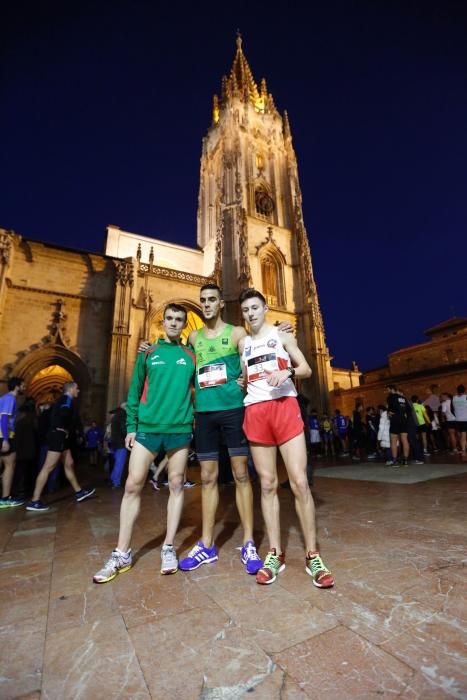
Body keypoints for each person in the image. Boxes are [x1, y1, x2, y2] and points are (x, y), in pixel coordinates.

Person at [238, 288, 333, 588]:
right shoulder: (243, 344)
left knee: (299, 482)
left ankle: (312, 555)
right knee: (266, 484)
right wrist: (244, 382)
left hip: (284, 408)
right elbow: (246, 377)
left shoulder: (282, 335)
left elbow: (306, 367)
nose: (251, 313)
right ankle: (275, 554)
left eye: (255, 307)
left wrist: (288, 372)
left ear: (265, 308)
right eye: (246, 310)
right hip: (256, 412)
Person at [93, 303, 196, 583]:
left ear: (184, 325)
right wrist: (131, 427)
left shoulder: (190, 355)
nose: (174, 323)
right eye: (170, 318)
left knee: (176, 484)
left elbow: (202, 386)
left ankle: (168, 547)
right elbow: (135, 389)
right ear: (163, 322)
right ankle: (121, 552)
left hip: (179, 429)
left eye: (179, 319)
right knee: (132, 485)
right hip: (148, 429)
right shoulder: (148, 353)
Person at [177, 283, 263, 575]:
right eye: (203, 300)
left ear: (221, 304)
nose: (206, 304)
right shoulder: (193, 337)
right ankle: (207, 544)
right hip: (204, 414)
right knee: (208, 478)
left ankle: (249, 543)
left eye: (212, 299)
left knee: (241, 475)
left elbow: (258, 348)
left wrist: (283, 330)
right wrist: (149, 349)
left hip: (232, 411)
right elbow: (181, 366)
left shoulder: (237, 333)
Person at [26, 382, 95, 511]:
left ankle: (79, 492)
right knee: (48, 467)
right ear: (71, 389)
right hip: (59, 436)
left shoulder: (65, 400)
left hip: (63, 436)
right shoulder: (66, 399)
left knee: (69, 463)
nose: (78, 391)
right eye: (77, 388)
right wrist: (62, 428)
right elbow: (64, 413)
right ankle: (34, 500)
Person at [0, 377, 26, 508]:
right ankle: (5, 498)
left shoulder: (5, 398)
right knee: (10, 466)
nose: (24, 388)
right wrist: (5, 439)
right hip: (5, 436)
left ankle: (4, 497)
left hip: (4, 435)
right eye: (23, 385)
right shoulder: (10, 398)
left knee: (6, 465)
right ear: (17, 386)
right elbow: (4, 418)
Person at [386, 385, 411, 467]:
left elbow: (390, 410)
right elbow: (409, 411)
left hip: (395, 420)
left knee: (393, 440)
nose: (387, 391)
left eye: (388, 390)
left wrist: (389, 412)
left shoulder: (391, 397)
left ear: (391, 389)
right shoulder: (403, 398)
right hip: (403, 420)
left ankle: (395, 461)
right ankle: (406, 461)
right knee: (405, 440)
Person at [109, 402, 129, 489]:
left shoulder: (116, 414)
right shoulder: (122, 414)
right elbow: (123, 429)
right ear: (125, 407)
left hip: (115, 442)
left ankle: (113, 478)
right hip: (121, 443)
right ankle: (116, 482)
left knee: (117, 462)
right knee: (119, 463)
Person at [452, 384, 467, 456]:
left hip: (458, 419)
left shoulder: (454, 398)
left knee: (462, 436)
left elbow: (452, 409)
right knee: (463, 436)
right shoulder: (466, 397)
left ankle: (463, 450)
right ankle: (464, 450)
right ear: (465, 390)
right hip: (466, 419)